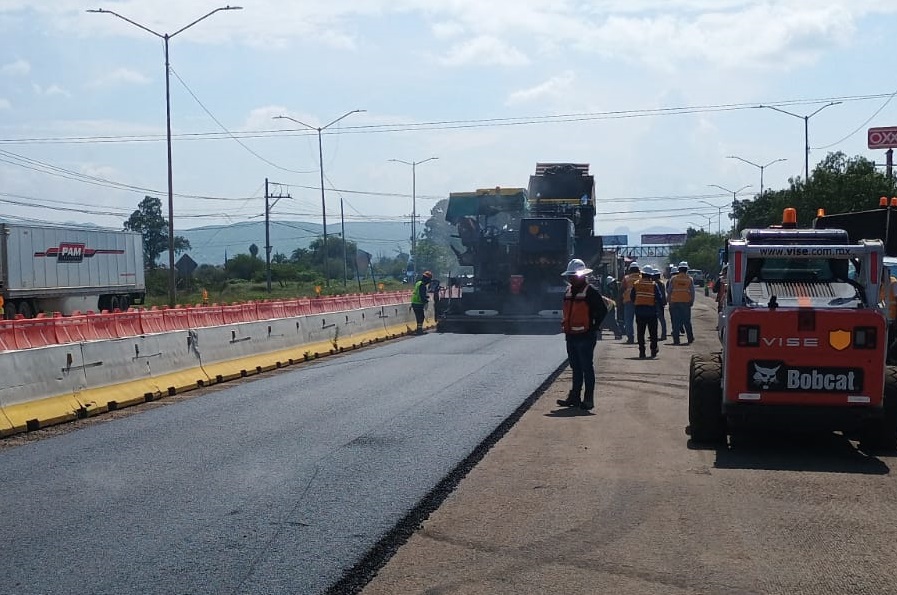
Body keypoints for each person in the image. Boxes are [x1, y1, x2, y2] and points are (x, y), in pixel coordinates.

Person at [557, 259, 607, 411]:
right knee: (576, 367)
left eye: (575, 275)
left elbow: (602, 310)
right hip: (571, 336)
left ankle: (588, 399)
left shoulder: (590, 291)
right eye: (571, 276)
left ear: (583, 276)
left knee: (586, 367)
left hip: (586, 336)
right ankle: (574, 397)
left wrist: (594, 327)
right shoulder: (568, 291)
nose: (572, 278)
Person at [631, 266, 664, 358]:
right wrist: (660, 308)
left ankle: (642, 352)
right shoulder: (653, 285)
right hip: (651, 312)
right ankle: (653, 349)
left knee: (640, 333)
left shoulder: (636, 284)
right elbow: (659, 298)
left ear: (642, 274)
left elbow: (632, 296)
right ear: (650, 275)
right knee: (653, 333)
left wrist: (637, 303)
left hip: (639, 311)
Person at [668, 261, 696, 345]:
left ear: (679, 269)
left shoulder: (673, 279)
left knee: (675, 322)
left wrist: (669, 301)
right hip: (686, 302)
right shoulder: (689, 279)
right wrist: (692, 301)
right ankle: (690, 338)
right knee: (687, 321)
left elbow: (669, 291)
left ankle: (676, 340)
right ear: (686, 269)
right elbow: (692, 292)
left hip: (675, 302)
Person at [620, 261, 641, 344]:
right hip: (640, 301)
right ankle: (640, 337)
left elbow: (622, 289)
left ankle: (630, 338)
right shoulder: (641, 278)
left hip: (628, 301)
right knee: (640, 321)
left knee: (628, 320)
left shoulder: (626, 278)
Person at [411, 270, 432, 335]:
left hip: (414, 302)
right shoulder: (422, 285)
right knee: (421, 317)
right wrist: (426, 301)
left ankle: (419, 330)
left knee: (419, 317)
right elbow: (421, 295)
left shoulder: (418, 283)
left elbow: (419, 293)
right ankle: (419, 331)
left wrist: (426, 297)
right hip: (418, 303)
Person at [649, 266, 668, 341]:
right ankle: (663, 334)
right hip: (660, 303)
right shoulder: (661, 283)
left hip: (654, 303)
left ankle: (655, 334)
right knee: (661, 320)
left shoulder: (654, 283)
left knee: (654, 320)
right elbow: (663, 294)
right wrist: (664, 302)